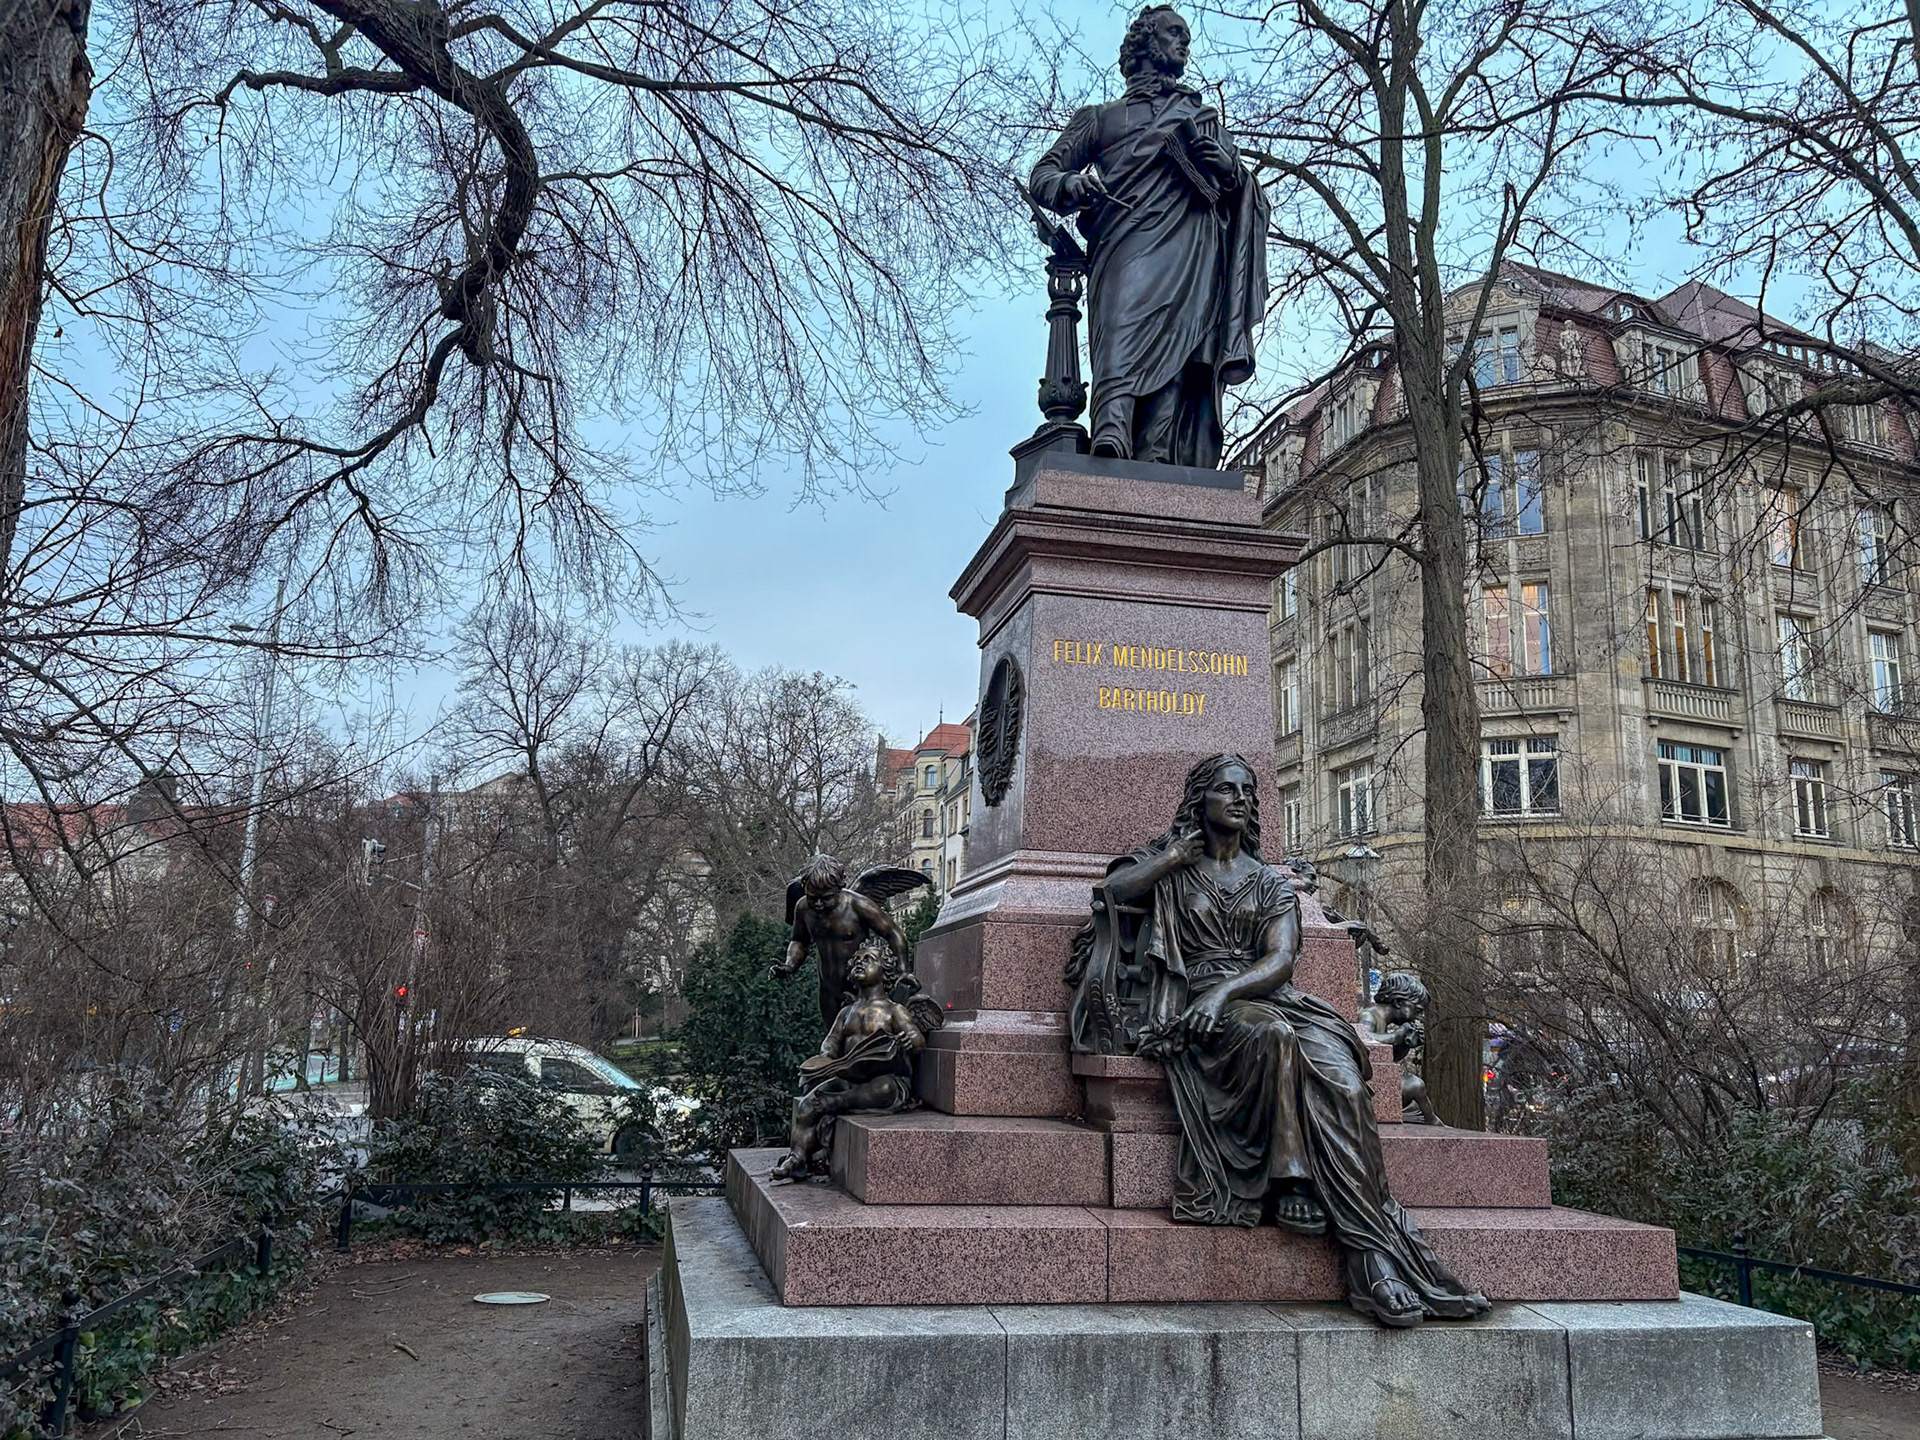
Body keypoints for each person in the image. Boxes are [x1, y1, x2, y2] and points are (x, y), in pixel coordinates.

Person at [1073, 753, 1489, 1327]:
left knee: (1343, 1077)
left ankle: (1372, 1251)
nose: (1241, 799)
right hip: (1197, 999)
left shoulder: (1269, 881)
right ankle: (1296, 1184)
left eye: (1248, 790)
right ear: (1200, 801)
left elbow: (1282, 959)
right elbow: (1112, 892)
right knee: (1271, 1037)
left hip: (1263, 994)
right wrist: (1169, 859)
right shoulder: (1174, 868)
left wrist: (1227, 994)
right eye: (1226, 790)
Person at [1028, 6, 1268, 467]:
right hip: (1123, 241)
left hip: (1192, 251)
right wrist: (1069, 186)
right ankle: (1112, 432)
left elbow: (1239, 188)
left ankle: (1156, 459)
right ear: (1145, 43)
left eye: (1186, 36)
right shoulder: (1100, 119)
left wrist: (1229, 169)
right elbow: (1045, 174)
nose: (1184, 43)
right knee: (1120, 333)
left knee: (1179, 348)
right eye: (1174, 33)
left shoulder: (1202, 117)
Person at [769, 946, 943, 1181]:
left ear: (885, 971)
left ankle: (837, 1102)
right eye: (857, 960)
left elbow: (917, 1039)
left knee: (885, 1089)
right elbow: (832, 1041)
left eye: (869, 959)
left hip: (886, 1077)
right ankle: (797, 1157)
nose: (860, 963)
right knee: (807, 1105)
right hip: (849, 1077)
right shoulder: (847, 1012)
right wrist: (826, 1057)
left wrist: (909, 1040)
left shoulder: (894, 1010)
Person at [773, 854, 924, 1030]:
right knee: (832, 1041)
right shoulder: (803, 907)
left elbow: (894, 934)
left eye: (826, 897)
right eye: (813, 897)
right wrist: (789, 964)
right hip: (828, 988)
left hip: (861, 987)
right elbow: (799, 941)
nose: (819, 904)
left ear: (839, 888)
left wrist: (903, 971)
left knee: (861, 1036)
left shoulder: (858, 905)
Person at [1362, 972, 1441, 1125]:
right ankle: (1433, 1122)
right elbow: (1364, 1042)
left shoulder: (1382, 1020)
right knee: (1415, 1084)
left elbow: (1383, 1057)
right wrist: (1397, 1035)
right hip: (1367, 1088)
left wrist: (1404, 1045)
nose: (1417, 1017)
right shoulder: (1368, 1015)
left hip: (1379, 1084)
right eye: (1416, 1010)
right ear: (1398, 1002)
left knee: (1414, 1105)